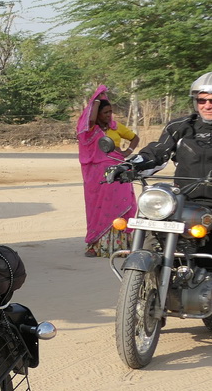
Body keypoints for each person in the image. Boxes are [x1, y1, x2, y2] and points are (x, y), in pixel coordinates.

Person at [112, 72, 212, 205]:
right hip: (184, 200)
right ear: (195, 101)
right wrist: (130, 166)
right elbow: (158, 152)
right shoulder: (181, 126)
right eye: (202, 100)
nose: (207, 106)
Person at [76, 86, 138, 257]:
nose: (109, 115)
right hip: (97, 177)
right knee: (98, 208)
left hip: (119, 172)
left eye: (110, 112)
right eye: (105, 112)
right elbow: (90, 120)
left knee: (122, 204)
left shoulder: (115, 127)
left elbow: (134, 138)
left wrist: (128, 152)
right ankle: (97, 245)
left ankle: (123, 245)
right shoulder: (90, 130)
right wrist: (96, 99)